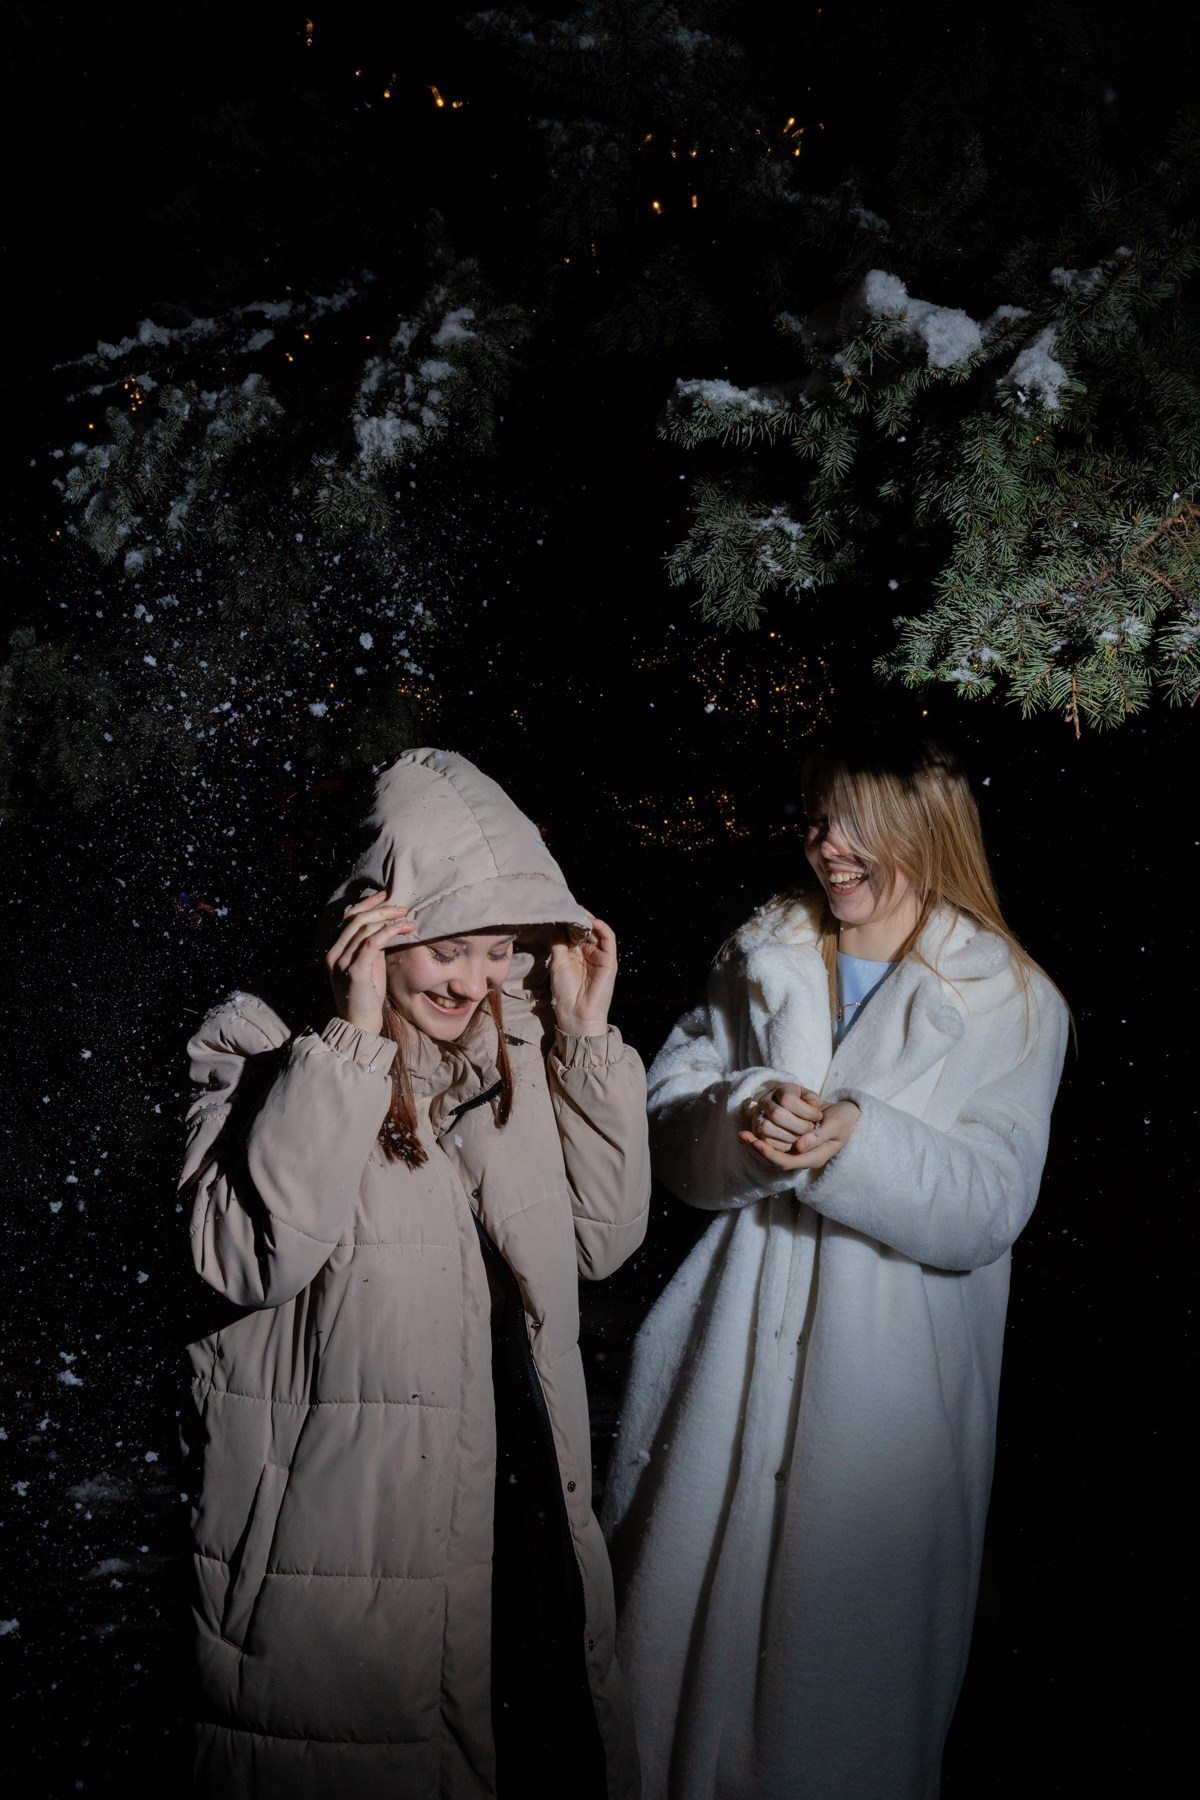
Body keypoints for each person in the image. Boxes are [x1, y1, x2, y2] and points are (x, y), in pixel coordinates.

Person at [601, 734, 1069, 1800]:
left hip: (882, 1410)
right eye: (816, 818)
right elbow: (670, 1124)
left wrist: (861, 1142)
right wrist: (743, 1112)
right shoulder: (760, 956)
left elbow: (990, 1204)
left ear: (926, 827)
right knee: (667, 1684)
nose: (826, 846)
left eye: (855, 823)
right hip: (720, 1382)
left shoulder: (1010, 999)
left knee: (835, 1713)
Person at [180, 748, 651, 1800]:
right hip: (346, 1545)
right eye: (447, 948)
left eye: (498, 951)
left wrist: (584, 1042)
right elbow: (247, 1258)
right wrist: (351, 1047)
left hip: (519, 1516)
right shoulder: (254, 1044)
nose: (473, 982)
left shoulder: (508, 1050)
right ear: (372, 928)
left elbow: (600, 1242)